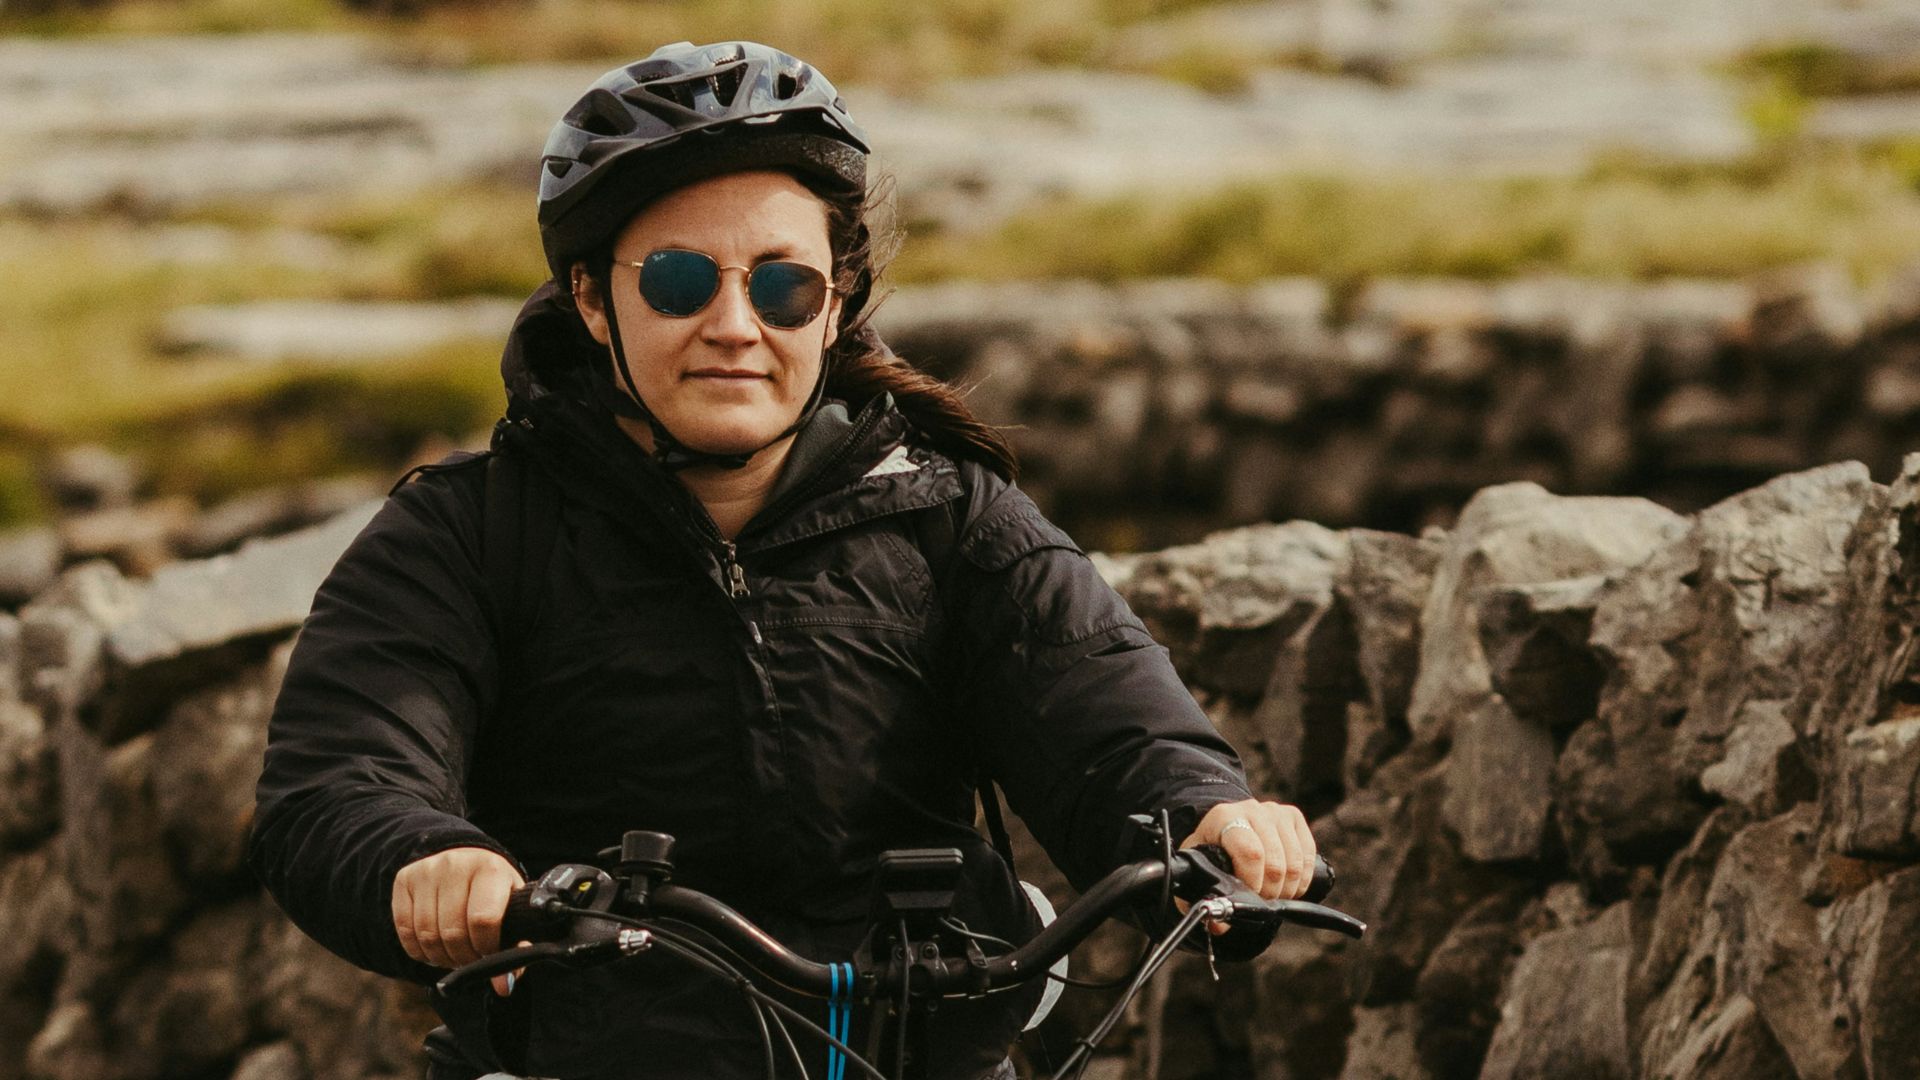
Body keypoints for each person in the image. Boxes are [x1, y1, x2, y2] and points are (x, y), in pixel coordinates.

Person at [248, 39, 1316, 1080]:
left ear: (835, 302)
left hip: (922, 1046)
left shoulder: (951, 517)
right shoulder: (467, 537)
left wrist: (1208, 820)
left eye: (782, 286)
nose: (733, 325)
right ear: (590, 299)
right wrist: (425, 859)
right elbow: (343, 776)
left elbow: (1106, 716)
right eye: (676, 281)